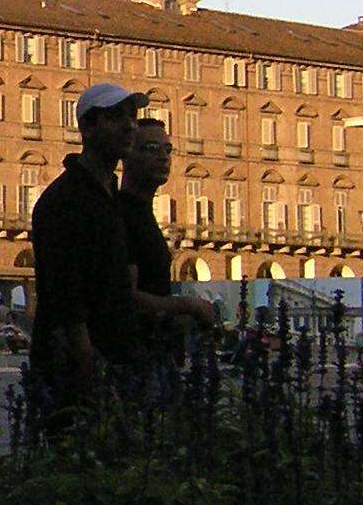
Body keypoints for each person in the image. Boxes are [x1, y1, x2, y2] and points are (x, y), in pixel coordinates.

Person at [30, 83, 145, 429]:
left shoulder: (109, 195)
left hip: (112, 358)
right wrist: (87, 370)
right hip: (75, 372)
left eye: (132, 117)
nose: (129, 127)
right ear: (87, 127)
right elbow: (64, 294)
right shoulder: (63, 201)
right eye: (116, 117)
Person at [112, 118, 220, 401]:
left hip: (154, 359)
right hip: (137, 363)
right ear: (127, 154)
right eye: (150, 148)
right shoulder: (123, 215)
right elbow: (127, 297)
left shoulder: (143, 213)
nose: (163, 157)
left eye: (167, 149)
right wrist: (187, 306)